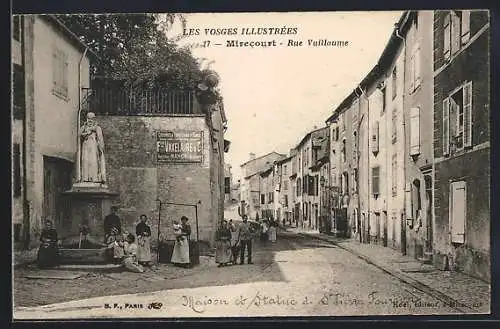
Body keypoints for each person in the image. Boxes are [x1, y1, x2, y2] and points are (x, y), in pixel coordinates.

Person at [80, 111, 106, 183]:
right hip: (85, 146)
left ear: (94, 119)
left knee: (94, 161)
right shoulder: (83, 127)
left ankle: (94, 178)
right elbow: (79, 136)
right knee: (85, 161)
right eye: (88, 118)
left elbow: (100, 138)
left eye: (92, 118)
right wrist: (85, 133)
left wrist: (101, 147)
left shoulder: (97, 128)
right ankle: (85, 178)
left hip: (94, 146)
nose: (90, 120)